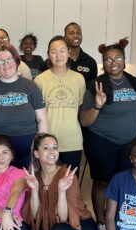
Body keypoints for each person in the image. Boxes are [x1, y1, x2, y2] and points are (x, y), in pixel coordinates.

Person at [79, 40, 136, 230]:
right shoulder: (96, 85)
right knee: (102, 182)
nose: (113, 62)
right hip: (102, 141)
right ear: (103, 63)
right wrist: (98, 105)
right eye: (108, 59)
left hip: (129, 143)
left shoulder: (134, 82)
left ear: (124, 60)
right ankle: (101, 221)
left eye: (117, 58)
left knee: (124, 182)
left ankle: (119, 218)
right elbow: (84, 120)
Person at [22, 134, 96, 230]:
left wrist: (62, 191)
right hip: (48, 227)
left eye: (55, 148)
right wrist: (35, 190)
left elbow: (64, 219)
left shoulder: (66, 174)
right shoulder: (34, 177)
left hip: (78, 226)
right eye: (46, 148)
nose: (52, 152)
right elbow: (35, 216)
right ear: (36, 153)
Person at [0, 44, 48, 169]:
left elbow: (42, 119)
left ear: (16, 61)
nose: (6, 64)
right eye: (1, 61)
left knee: (28, 187)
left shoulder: (31, 86)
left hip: (28, 151)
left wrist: (40, 153)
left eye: (9, 59)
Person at [34, 35, 86, 172]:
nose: (58, 55)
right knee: (48, 183)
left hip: (72, 140)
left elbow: (80, 108)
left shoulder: (79, 79)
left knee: (70, 183)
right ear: (48, 55)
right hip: (47, 141)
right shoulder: (40, 80)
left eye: (62, 50)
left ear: (69, 53)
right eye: (53, 51)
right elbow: (36, 114)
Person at [63, 22, 98, 86]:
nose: (75, 36)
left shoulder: (91, 62)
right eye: (71, 33)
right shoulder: (58, 60)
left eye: (78, 33)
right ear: (65, 37)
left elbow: (92, 89)